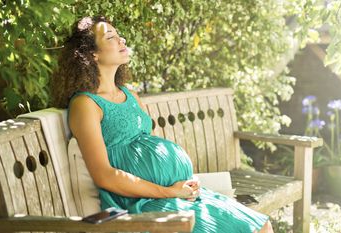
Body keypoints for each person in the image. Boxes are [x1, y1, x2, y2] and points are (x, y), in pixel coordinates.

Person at [51, 16, 274, 233]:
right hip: (142, 204)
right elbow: (104, 175)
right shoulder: (86, 104)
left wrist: (180, 184)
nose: (122, 40)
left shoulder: (130, 96)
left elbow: (147, 147)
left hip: (179, 193)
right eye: (111, 37)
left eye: (120, 36)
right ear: (93, 54)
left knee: (262, 226)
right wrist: (168, 192)